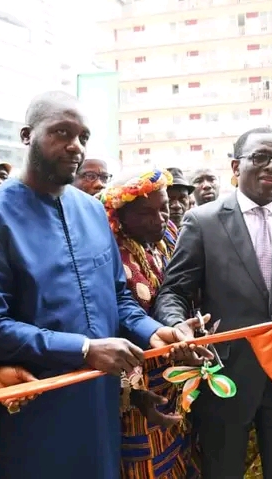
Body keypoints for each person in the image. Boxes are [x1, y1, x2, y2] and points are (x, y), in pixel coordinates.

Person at [0, 90, 194, 479]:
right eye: (62, 132)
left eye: (83, 137)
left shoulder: (92, 210)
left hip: (99, 407)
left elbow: (117, 296)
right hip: (34, 409)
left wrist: (155, 333)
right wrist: (84, 349)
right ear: (26, 136)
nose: (76, 146)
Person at [155, 127, 272, 479]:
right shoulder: (203, 221)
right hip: (225, 374)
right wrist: (178, 327)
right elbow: (173, 292)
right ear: (236, 167)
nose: (271, 167)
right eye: (260, 158)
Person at [101, 168, 200, 478]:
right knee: (144, 467)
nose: (160, 218)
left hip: (175, 377)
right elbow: (110, 328)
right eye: (147, 212)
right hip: (137, 395)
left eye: (164, 208)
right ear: (122, 217)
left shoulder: (167, 236)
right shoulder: (110, 254)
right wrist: (132, 394)